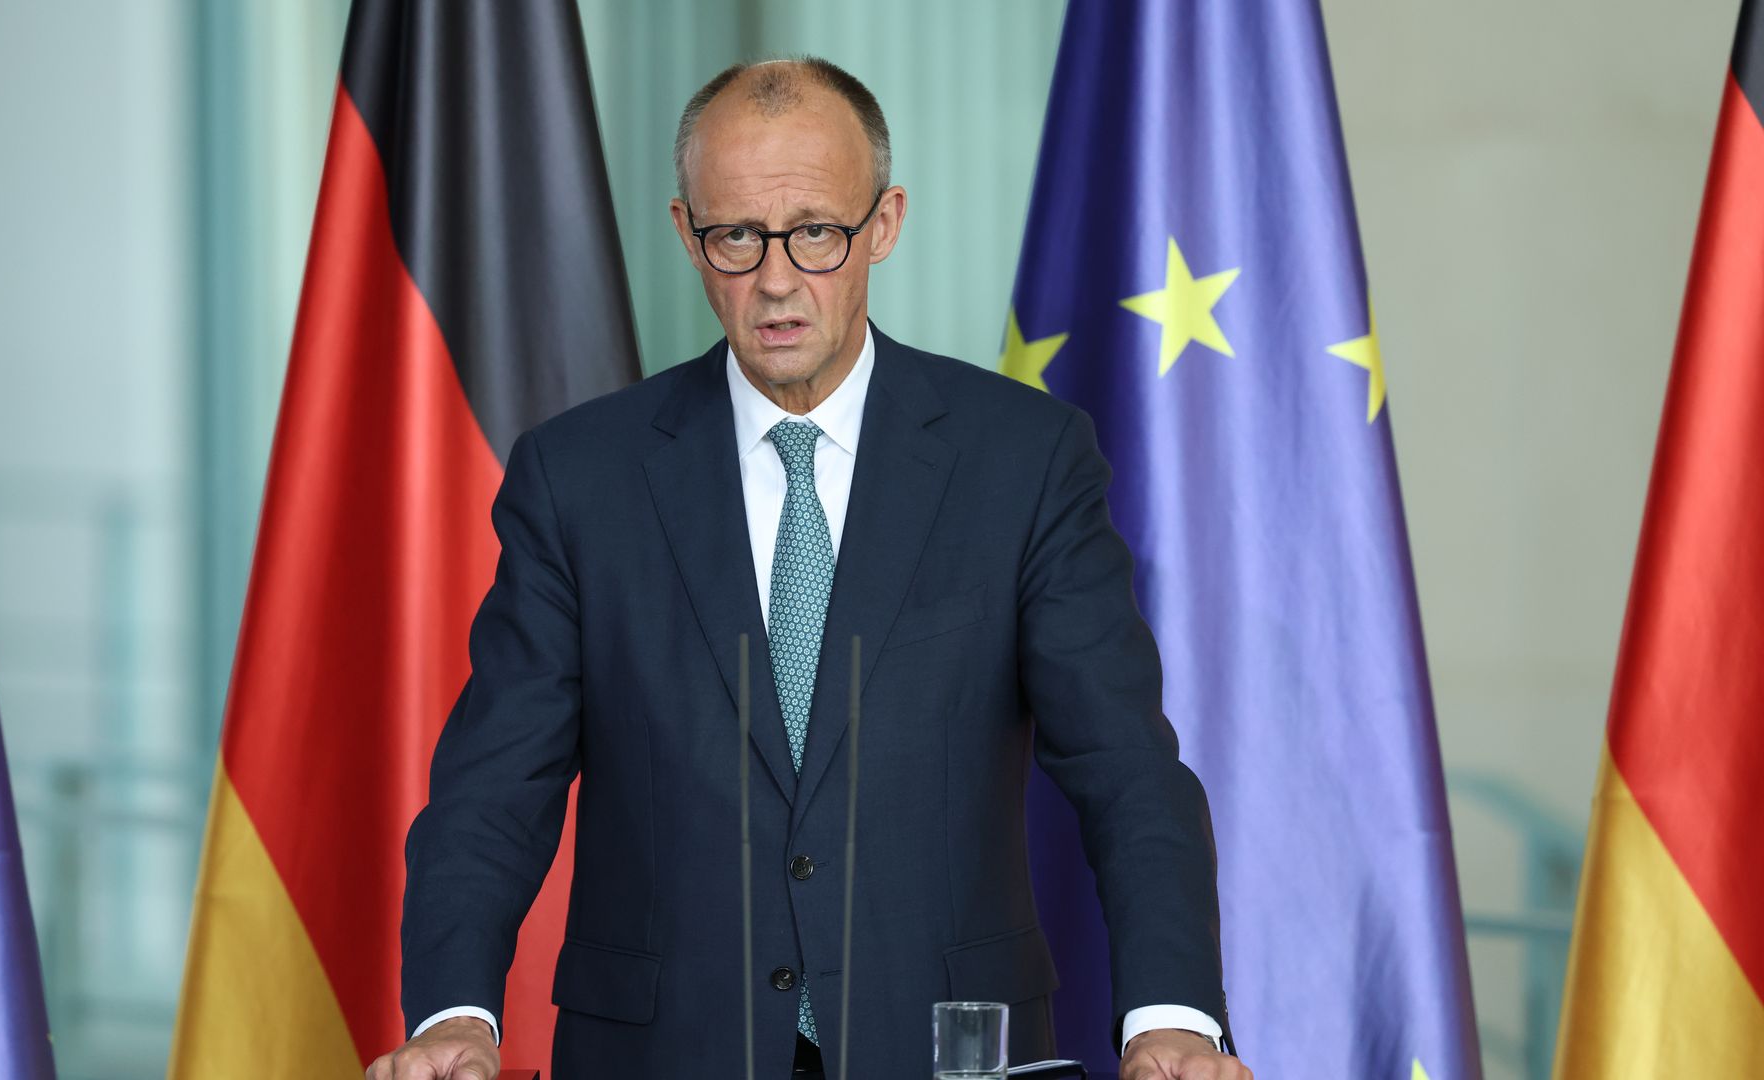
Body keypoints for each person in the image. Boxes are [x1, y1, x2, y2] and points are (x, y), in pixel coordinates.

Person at [366, 58, 1252, 1080]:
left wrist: (1173, 1015)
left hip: (948, 1052)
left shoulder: (1024, 460)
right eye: (736, 235)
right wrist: (454, 1016)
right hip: (659, 1052)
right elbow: (493, 788)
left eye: (816, 232)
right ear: (686, 234)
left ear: (883, 224)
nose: (776, 279)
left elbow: (1127, 772)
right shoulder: (578, 479)